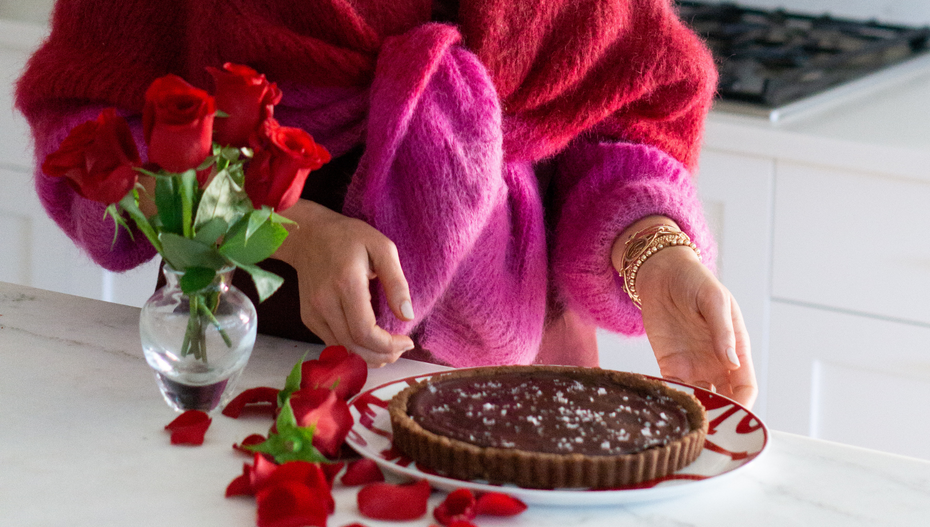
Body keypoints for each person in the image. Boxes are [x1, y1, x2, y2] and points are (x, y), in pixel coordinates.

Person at [16, 0, 757, 407]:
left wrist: (657, 256)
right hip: (256, 383)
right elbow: (91, 143)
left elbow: (610, 129)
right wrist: (286, 227)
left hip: (525, 401)